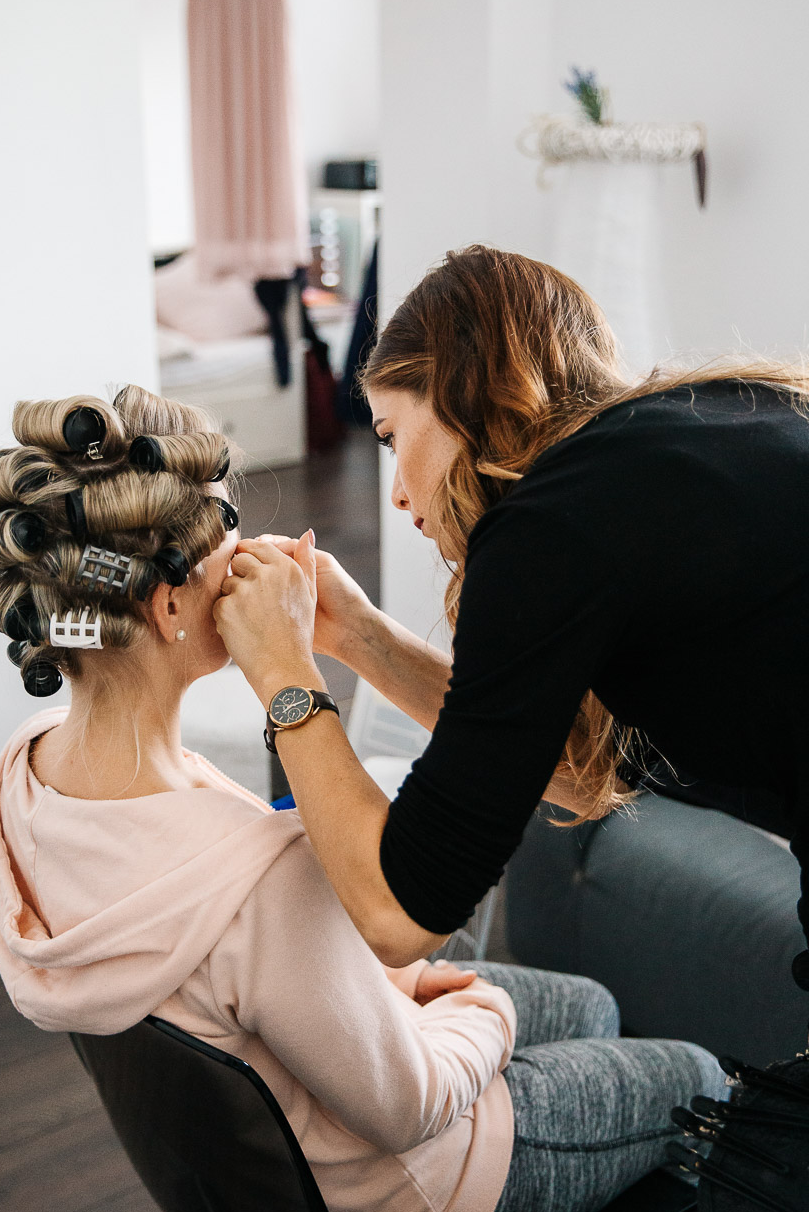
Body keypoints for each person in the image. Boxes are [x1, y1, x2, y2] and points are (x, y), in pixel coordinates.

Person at [0, 384, 725, 1212]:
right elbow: (405, 1107)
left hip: (274, 1190)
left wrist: (400, 992)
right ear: (169, 608)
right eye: (224, 536)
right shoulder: (259, 880)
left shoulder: (25, 774)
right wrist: (482, 1011)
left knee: (593, 1007)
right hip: (405, 1209)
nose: (245, 556)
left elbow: (273, 970)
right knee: (695, 1072)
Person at [212, 244, 809, 991]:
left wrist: (283, 674)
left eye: (393, 436)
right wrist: (355, 635)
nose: (399, 494)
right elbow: (589, 774)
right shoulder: (723, 416)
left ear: (463, 390)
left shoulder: (550, 526)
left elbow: (401, 914)